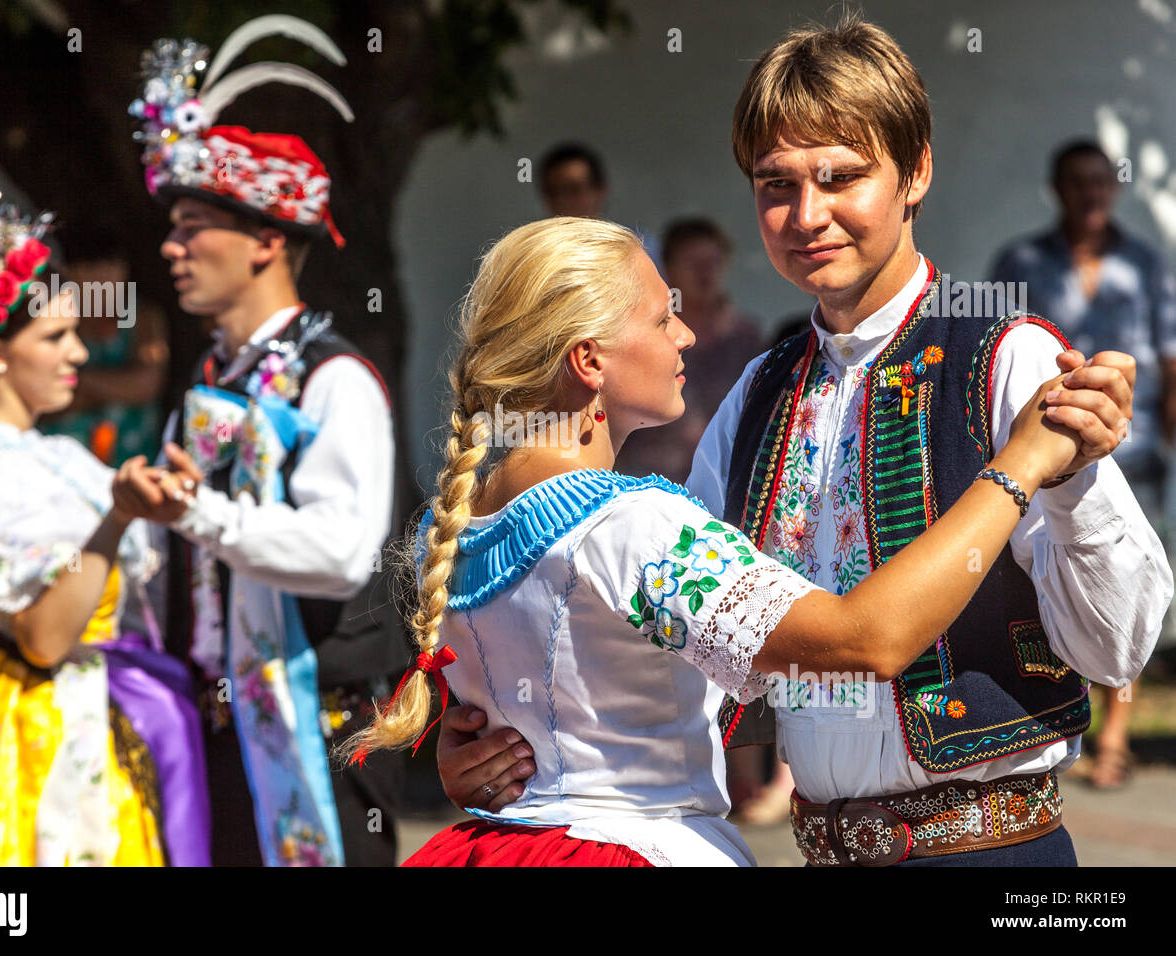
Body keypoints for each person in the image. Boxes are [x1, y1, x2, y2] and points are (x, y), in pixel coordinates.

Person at [435, 15, 1168, 867]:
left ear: (916, 171)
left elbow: (1118, 647)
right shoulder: (757, 395)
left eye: (842, 177)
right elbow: (664, 644)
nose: (806, 215)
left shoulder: (1005, 359)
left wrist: (1071, 482)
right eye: (775, 184)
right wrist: (504, 744)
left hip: (993, 851)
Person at [345, 215, 1134, 866]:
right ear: (589, 361)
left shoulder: (448, 529)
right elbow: (866, 641)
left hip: (494, 846)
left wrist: (470, 758)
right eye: (661, 319)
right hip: (629, 846)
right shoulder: (633, 526)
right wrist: (1020, 463)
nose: (686, 336)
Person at [113, 18, 407, 867]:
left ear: (269, 240)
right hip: (216, 721)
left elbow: (342, 553)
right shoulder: (211, 381)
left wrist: (198, 512)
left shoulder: (333, 378)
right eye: (172, 225)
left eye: (194, 224)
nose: (170, 247)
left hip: (317, 721)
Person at [0, 196, 207, 866]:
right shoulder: (8, 475)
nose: (78, 352)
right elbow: (44, 637)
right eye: (54, 338)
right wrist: (115, 520)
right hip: (27, 733)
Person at [990, 139, 1176, 788]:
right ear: (1057, 188)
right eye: (1077, 182)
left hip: (1138, 444)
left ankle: (1115, 740)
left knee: (1121, 578)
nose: (1091, 193)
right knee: (1057, 576)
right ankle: (1064, 718)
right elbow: (995, 356)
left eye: (1101, 182)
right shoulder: (1020, 261)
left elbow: (1171, 356)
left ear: (1115, 188)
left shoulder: (1148, 262)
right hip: (1048, 452)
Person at [617, 217, 763, 483]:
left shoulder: (747, 337)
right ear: (668, 269)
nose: (705, 272)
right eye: (693, 264)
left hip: (728, 484)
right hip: (651, 483)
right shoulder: (645, 336)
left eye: (713, 262)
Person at [39, 223, 169, 465]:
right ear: (67, 274)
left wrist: (80, 384)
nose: (106, 278)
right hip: (62, 466)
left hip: (131, 465)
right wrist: (115, 386)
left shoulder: (139, 315)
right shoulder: (53, 318)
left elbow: (145, 384)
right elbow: (42, 403)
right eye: (92, 268)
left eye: (113, 265)